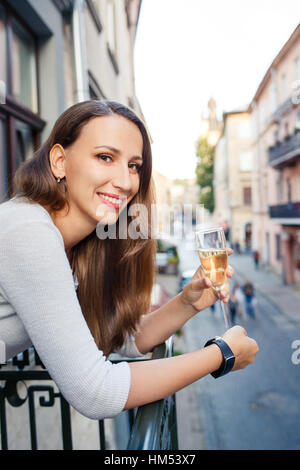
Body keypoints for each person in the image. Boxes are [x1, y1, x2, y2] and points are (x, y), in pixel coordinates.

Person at [0, 100, 258, 420]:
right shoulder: (28, 231)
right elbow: (95, 392)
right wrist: (221, 355)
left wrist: (187, 303)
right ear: (59, 161)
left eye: (134, 165)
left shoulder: (78, 245)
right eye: (105, 157)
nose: (125, 181)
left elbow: (116, 338)